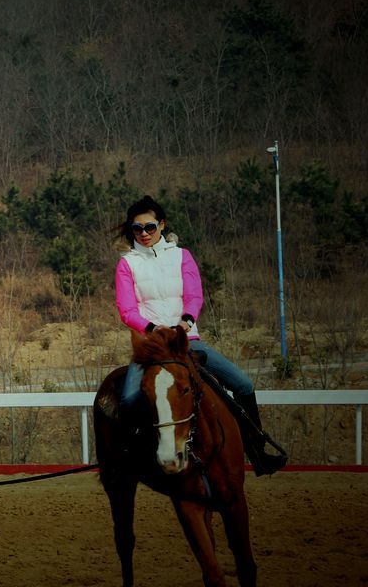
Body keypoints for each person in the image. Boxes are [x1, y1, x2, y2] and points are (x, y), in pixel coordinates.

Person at [114, 196, 287, 476]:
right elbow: (126, 309)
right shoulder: (127, 263)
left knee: (243, 384)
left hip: (188, 341)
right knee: (129, 399)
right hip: (153, 346)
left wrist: (186, 321)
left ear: (162, 224)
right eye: (137, 228)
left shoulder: (183, 256)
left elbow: (194, 295)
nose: (143, 233)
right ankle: (132, 459)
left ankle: (257, 452)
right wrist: (152, 328)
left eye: (149, 227)